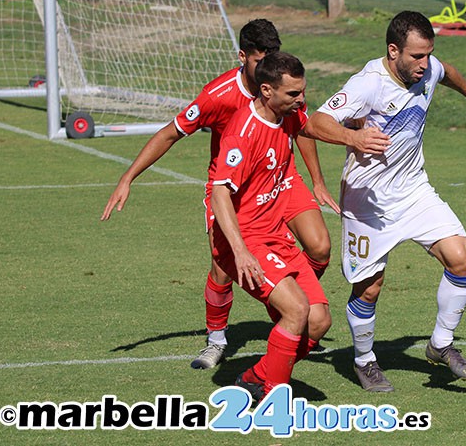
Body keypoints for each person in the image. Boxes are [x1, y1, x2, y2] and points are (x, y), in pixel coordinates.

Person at [100, 19, 337, 370]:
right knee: (224, 268)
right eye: (260, 60)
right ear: (243, 56)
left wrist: (317, 180)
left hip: (280, 177)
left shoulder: (283, 83)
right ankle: (216, 339)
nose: (268, 67)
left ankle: (289, 307)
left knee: (320, 246)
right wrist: (128, 177)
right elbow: (170, 133)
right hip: (234, 189)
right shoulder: (218, 96)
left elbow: (300, 125)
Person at [303, 11, 466, 392]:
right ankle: (363, 360)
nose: (426, 65)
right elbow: (314, 122)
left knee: (463, 259)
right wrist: (353, 138)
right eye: (416, 57)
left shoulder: (427, 68)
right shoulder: (367, 84)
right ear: (393, 51)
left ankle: (441, 345)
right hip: (367, 201)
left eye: (428, 55)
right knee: (369, 288)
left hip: (413, 190)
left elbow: (447, 71)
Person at [211, 51, 330, 400]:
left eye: (302, 91)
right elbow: (219, 195)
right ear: (266, 90)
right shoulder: (243, 133)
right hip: (245, 241)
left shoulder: (285, 117)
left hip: (276, 236)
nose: (301, 99)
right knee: (296, 309)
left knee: (319, 321)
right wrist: (241, 252)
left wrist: (354, 139)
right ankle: (274, 396)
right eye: (293, 94)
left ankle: (256, 374)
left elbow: (316, 124)